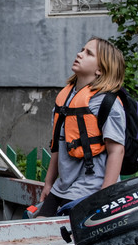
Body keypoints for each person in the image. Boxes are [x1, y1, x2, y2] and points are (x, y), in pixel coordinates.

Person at [35, 36, 126, 217]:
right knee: (38, 227)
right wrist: (48, 183)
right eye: (82, 50)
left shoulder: (107, 103)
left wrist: (105, 197)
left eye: (88, 53)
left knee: (62, 236)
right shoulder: (65, 99)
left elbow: (117, 151)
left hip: (92, 189)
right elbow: (57, 146)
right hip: (62, 187)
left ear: (100, 69)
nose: (79, 54)